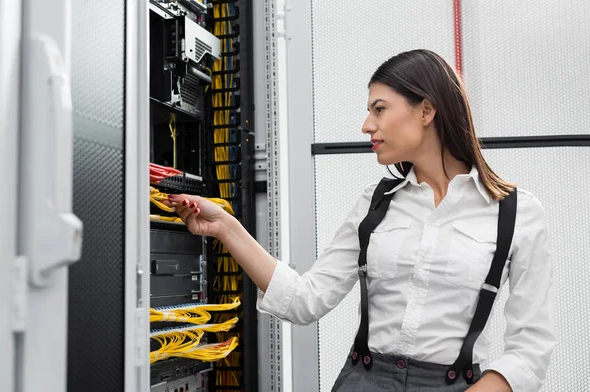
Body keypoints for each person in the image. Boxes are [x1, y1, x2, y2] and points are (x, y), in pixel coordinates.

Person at [164, 49, 556, 392]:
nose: (367, 125)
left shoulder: (518, 213)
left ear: (426, 110)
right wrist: (226, 227)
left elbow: (531, 348)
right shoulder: (375, 202)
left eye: (379, 109)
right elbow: (305, 300)